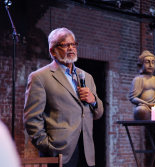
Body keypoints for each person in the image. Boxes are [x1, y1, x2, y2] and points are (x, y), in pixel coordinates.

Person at [24, 27, 104, 167]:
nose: (71, 48)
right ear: (52, 50)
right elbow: (31, 120)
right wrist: (48, 147)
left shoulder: (87, 77)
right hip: (58, 152)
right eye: (65, 45)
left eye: (73, 44)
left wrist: (94, 101)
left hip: (86, 151)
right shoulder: (40, 77)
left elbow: (98, 113)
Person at [129, 50, 155, 120]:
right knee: (140, 110)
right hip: (144, 107)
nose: (150, 65)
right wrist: (147, 104)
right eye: (147, 62)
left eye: (153, 62)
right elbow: (133, 98)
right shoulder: (138, 79)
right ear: (141, 64)